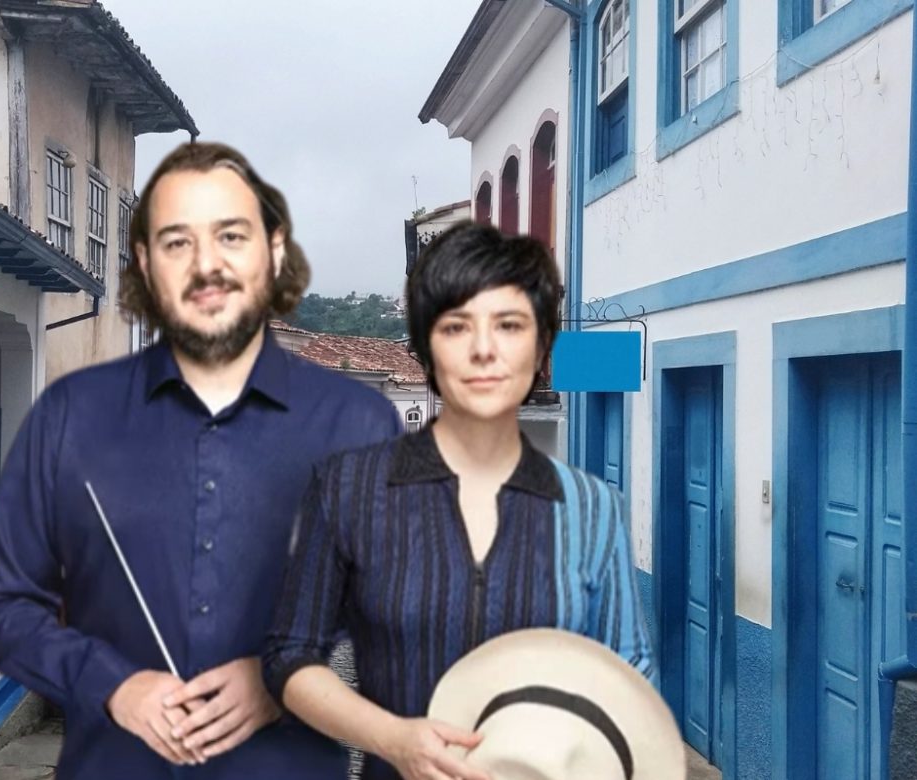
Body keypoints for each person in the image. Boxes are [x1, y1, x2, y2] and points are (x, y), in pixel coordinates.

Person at [0, 141, 401, 779]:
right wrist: (111, 683)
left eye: (231, 236)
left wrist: (281, 679)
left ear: (273, 252)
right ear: (144, 262)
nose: (206, 265)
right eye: (176, 242)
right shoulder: (69, 416)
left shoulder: (360, 424)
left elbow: (393, 618)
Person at [262, 221, 654, 780]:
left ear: (543, 347)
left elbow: (629, 676)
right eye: (456, 326)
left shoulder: (593, 509)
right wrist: (393, 738)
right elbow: (290, 656)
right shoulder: (346, 488)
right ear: (425, 346)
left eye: (510, 325)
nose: (484, 350)